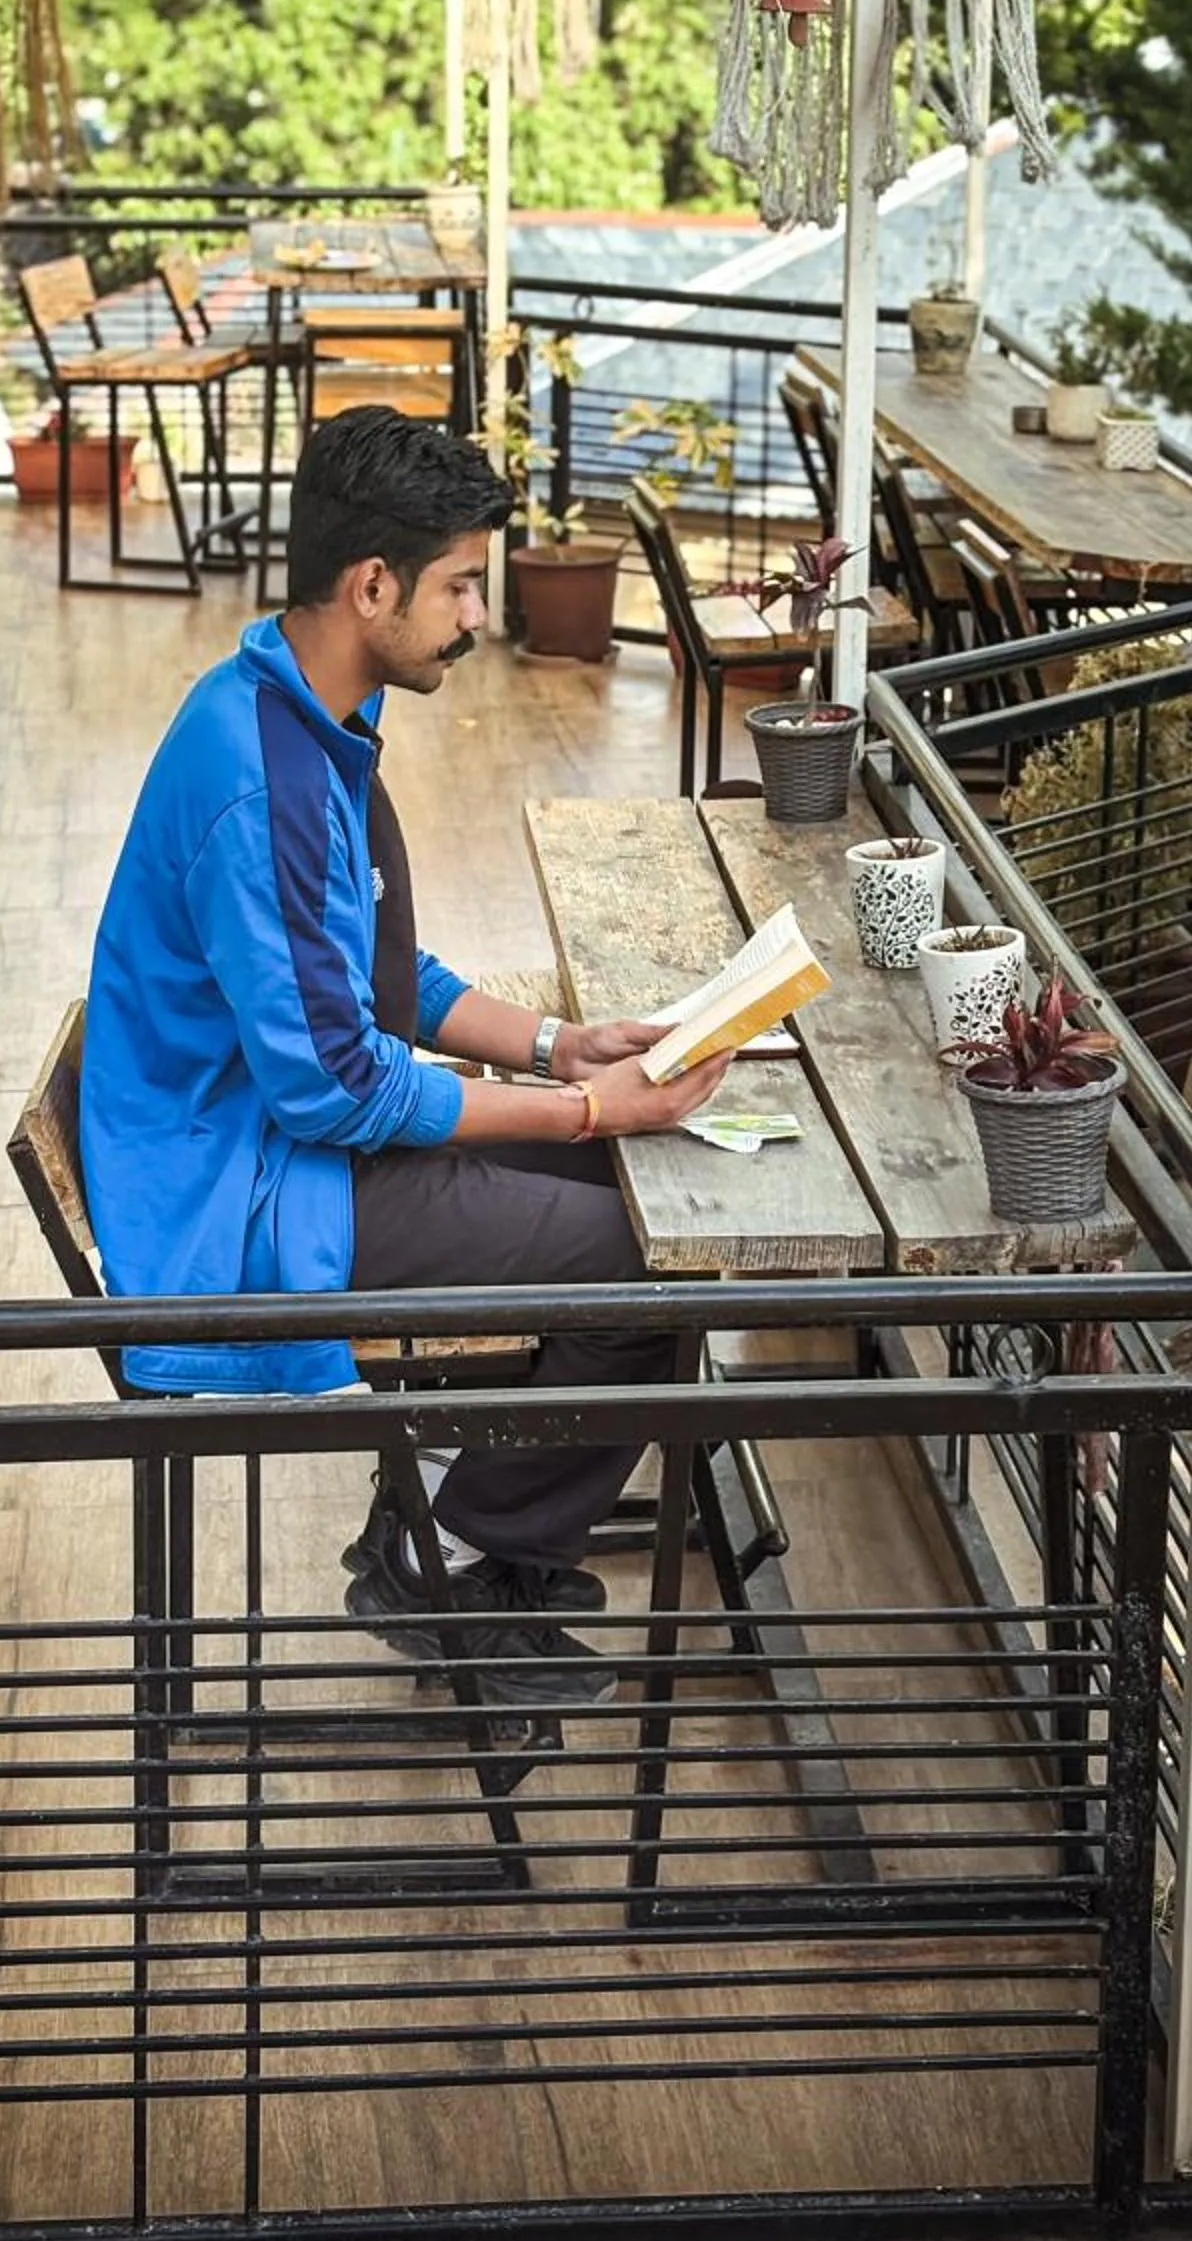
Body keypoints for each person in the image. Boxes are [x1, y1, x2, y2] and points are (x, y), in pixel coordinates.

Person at [81, 405, 731, 1714]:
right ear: (369, 585)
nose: (474, 618)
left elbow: (380, 982)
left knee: (657, 1211)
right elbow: (332, 1085)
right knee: (639, 1258)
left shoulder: (301, 712)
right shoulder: (265, 775)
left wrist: (560, 1046)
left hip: (267, 1137)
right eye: (457, 587)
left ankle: (487, 1544)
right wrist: (582, 1112)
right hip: (248, 1191)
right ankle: (461, 1569)